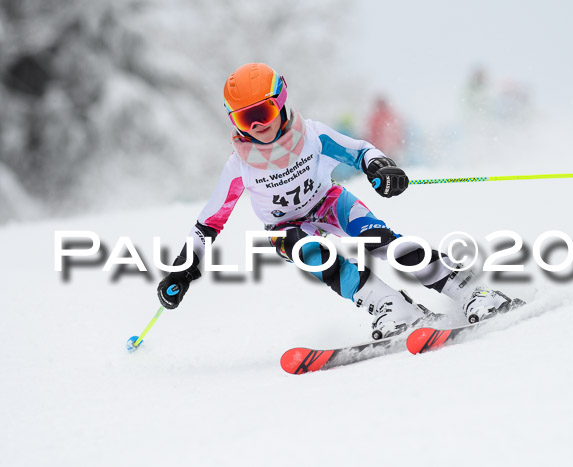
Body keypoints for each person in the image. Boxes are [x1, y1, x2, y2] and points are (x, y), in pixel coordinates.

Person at [157, 63, 518, 340]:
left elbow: (358, 151)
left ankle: (470, 290)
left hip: (330, 202)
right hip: (286, 228)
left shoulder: (310, 135)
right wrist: (183, 270)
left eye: (262, 113)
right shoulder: (239, 167)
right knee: (312, 254)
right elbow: (207, 225)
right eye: (244, 118)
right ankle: (391, 307)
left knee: (382, 243)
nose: (256, 126)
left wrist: (380, 166)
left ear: (280, 101)